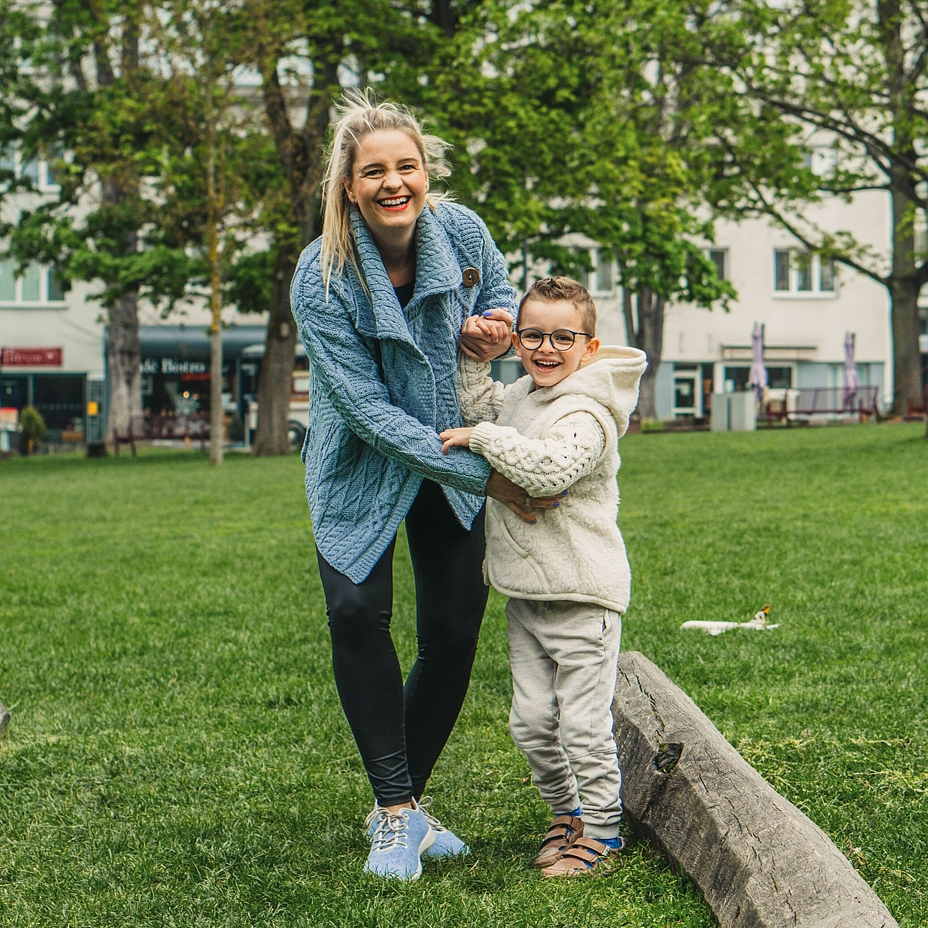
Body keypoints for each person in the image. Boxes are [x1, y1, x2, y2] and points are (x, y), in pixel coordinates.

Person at [289, 91, 557, 881]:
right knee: (354, 612)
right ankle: (400, 815)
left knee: (452, 633)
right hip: (364, 460)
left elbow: (497, 297)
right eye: (376, 171)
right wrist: (492, 480)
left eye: (407, 166)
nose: (394, 182)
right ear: (349, 184)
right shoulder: (322, 273)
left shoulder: (465, 230)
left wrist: (495, 323)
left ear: (426, 172)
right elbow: (367, 411)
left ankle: (397, 804)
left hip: (451, 450)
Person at [440, 276, 647, 877]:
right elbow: (481, 405)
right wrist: (474, 365)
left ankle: (604, 831)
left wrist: (483, 439)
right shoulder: (525, 396)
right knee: (531, 725)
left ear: (588, 345)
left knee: (582, 724)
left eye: (562, 336)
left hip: (583, 594)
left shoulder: (589, 409)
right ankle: (568, 815)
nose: (546, 348)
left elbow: (552, 470)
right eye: (532, 335)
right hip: (526, 594)